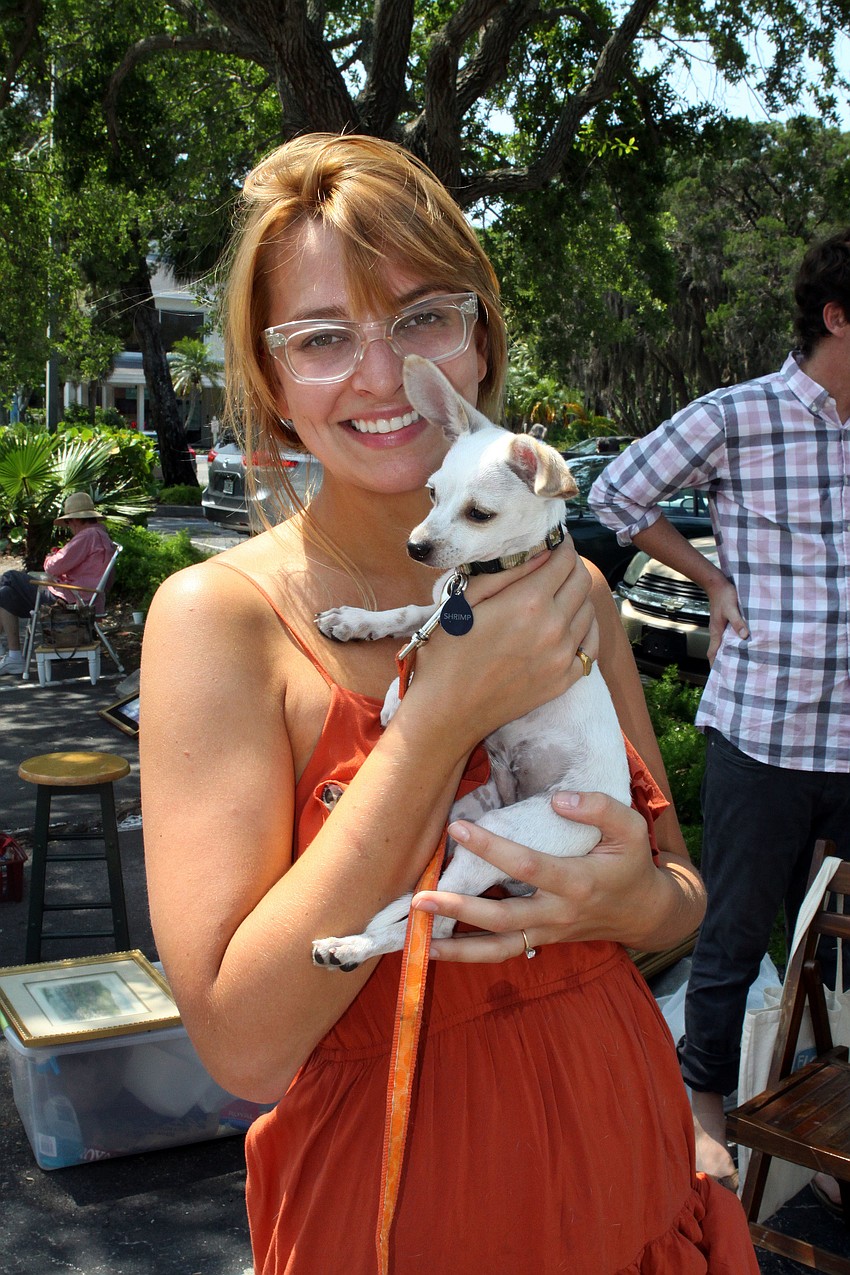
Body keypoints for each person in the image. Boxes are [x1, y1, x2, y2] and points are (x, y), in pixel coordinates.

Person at [140, 133, 758, 1274]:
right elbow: (243, 1045)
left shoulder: (568, 591)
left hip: (628, 1158)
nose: (381, 376)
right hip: (403, 1211)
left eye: (423, 316)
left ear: (475, 345)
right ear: (273, 380)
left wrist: (625, 900)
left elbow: (677, 903)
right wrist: (438, 720)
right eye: (323, 337)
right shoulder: (218, 620)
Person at [589, 228, 850, 1203]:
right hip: (765, 733)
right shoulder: (737, 416)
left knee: (834, 946)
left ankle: (813, 1121)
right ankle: (702, 1121)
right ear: (835, 316)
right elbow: (616, 494)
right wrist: (710, 578)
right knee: (734, 931)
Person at [0, 491, 116, 677]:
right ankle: (13, 657)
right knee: (5, 594)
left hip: (70, 600)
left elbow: (53, 566)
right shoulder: (101, 535)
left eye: (68, 522)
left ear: (76, 520)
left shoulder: (87, 536)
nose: (69, 526)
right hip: (85, 598)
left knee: (10, 577)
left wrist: (50, 557)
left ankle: (12, 656)